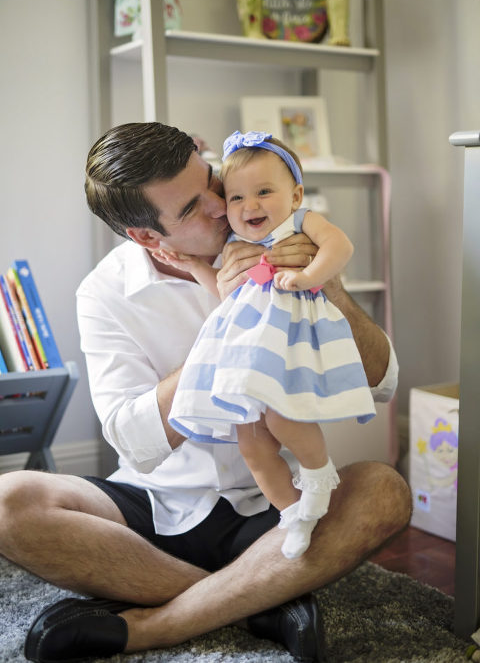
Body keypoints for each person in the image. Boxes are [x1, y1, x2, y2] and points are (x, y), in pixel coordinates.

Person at [0, 122, 411, 663]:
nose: (224, 206)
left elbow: (380, 384)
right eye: (193, 208)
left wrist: (325, 283)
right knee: (9, 504)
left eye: (214, 182)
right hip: (158, 503)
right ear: (146, 236)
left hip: (274, 501)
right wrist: (224, 325)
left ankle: (161, 624)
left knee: (385, 491)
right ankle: (259, 597)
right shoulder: (104, 294)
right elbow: (133, 440)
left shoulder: (281, 240)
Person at [156, 130, 376, 561]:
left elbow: (340, 245)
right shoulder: (237, 247)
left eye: (263, 192)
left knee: (282, 417)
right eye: (236, 197)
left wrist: (311, 275)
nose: (248, 206)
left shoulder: (301, 223)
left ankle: (318, 474)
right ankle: (294, 512)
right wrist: (197, 266)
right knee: (252, 445)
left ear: (294, 194)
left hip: (285, 348)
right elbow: (228, 297)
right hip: (245, 356)